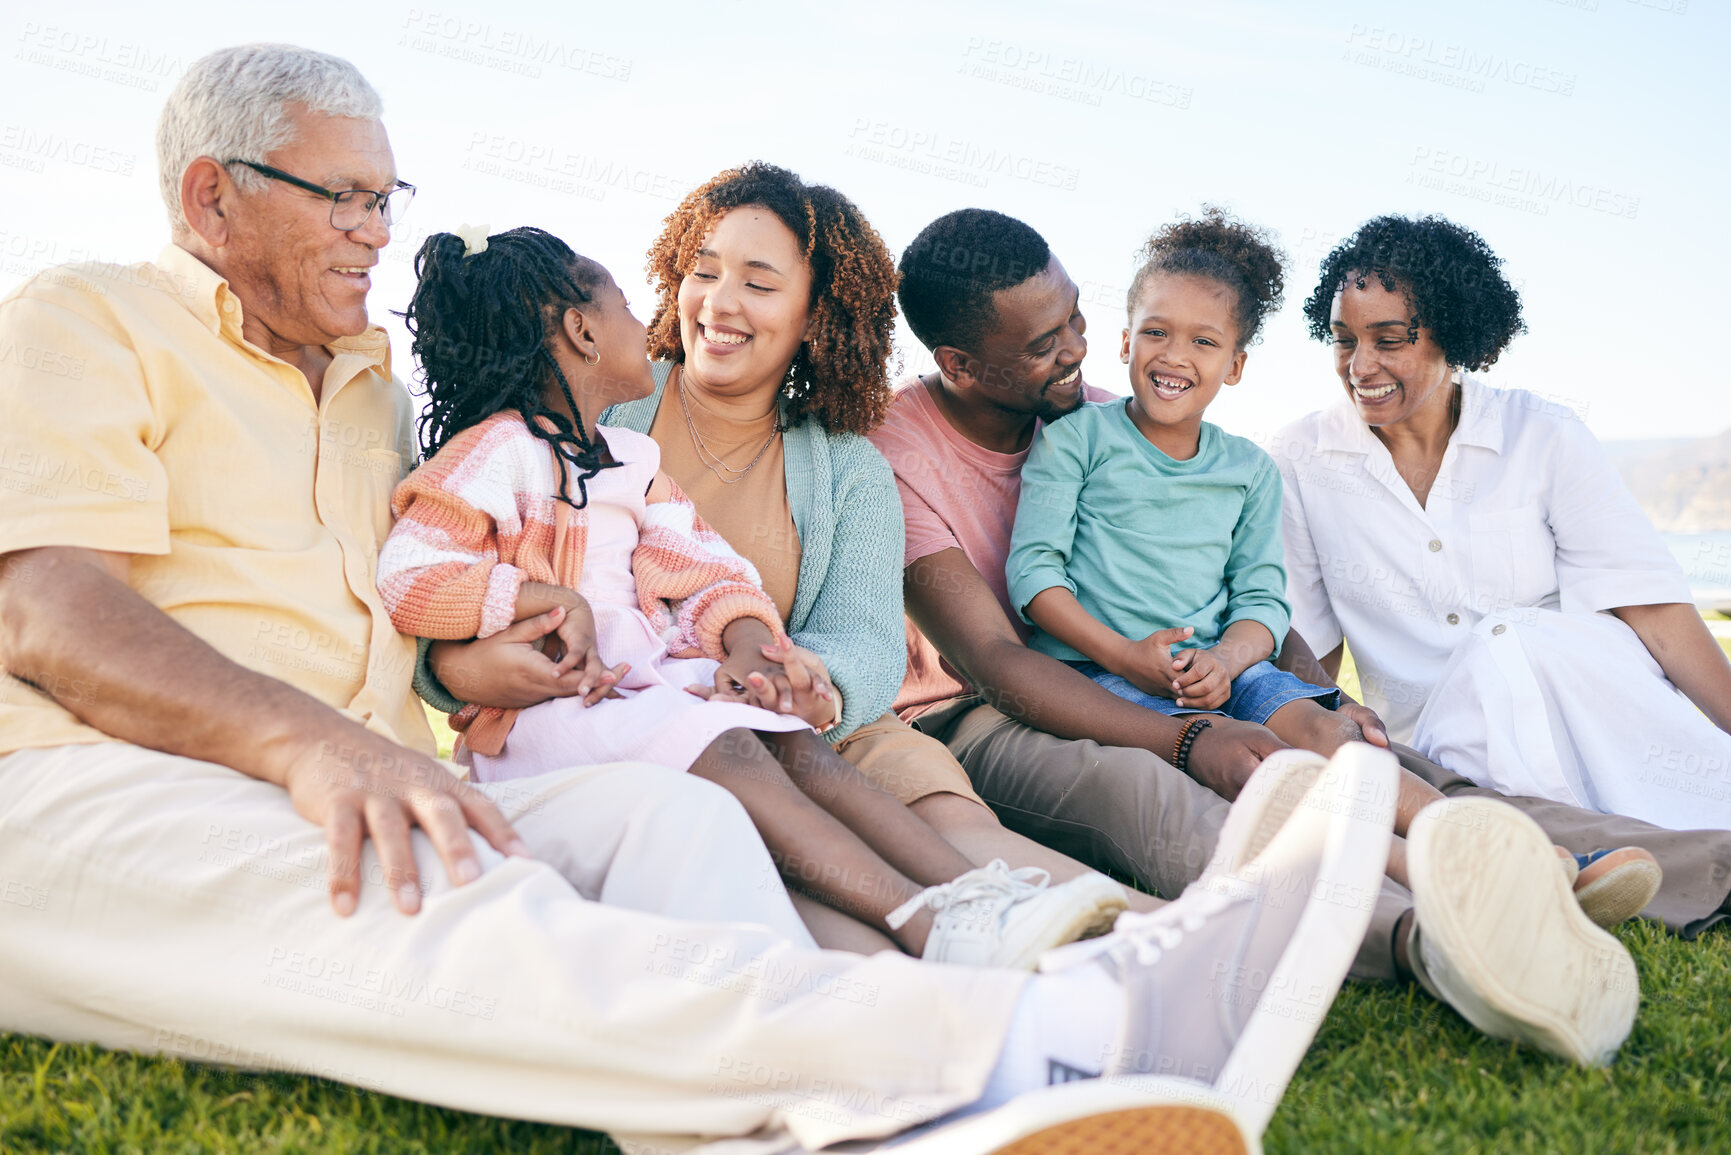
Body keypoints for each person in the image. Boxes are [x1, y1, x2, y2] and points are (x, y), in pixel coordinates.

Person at [0, 43, 1381, 1155]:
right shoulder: (89, 317)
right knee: (467, 907)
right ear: (209, 198)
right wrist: (336, 736)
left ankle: (823, 1112)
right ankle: (1000, 1042)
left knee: (678, 814)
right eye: (341, 199)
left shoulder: (372, 386)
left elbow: (491, 612)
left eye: (384, 198)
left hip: (529, 743)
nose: (374, 232)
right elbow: (49, 611)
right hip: (104, 773)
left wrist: (736, 649)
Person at [868, 206, 1731, 1065]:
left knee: (1376, 761)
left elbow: (1250, 598)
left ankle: (1640, 867)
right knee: (1166, 797)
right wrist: (1192, 733)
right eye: (1046, 341)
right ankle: (1430, 935)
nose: (1078, 350)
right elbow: (995, 659)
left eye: (1077, 321)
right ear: (960, 364)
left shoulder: (1109, 413)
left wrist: (1314, 699)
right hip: (990, 710)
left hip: (1177, 678)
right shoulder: (903, 454)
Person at [417, 163, 1163, 958]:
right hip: (621, 711)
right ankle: (943, 953)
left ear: (818, 315)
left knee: (937, 811)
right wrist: (459, 664)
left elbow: (861, 635)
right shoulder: (590, 410)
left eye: (759, 284)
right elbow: (440, 564)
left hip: (812, 724)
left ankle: (1140, 933)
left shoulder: (846, 468)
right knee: (769, 836)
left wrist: (802, 675)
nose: (720, 302)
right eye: (703, 272)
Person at [1005, 208, 1450, 892]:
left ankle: (1475, 847)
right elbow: (1033, 578)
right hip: (1100, 676)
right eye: (1155, 331)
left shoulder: (1246, 469)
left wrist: (1224, 659)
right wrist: (1125, 655)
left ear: (1235, 364)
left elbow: (1262, 603)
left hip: (1222, 669)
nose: (1174, 355)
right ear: (1123, 341)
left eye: (1203, 342)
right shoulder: (1075, 441)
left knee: (1331, 736)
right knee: (1261, 762)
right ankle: (1425, 878)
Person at [1274, 214, 1731, 834]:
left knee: (1509, 640)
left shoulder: (1544, 436)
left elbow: (1650, 607)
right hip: (1445, 754)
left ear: (1452, 335)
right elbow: (1309, 645)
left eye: (1389, 339)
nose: (1360, 366)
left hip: (1584, 717)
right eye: (1343, 339)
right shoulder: (1298, 461)